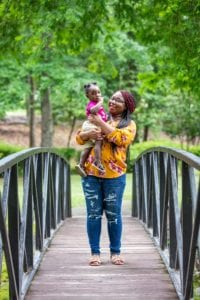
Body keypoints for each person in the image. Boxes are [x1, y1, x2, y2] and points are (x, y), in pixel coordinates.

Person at [76, 89, 136, 266]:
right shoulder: (99, 115)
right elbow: (79, 138)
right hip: (91, 175)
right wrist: (89, 134)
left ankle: (115, 253)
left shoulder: (128, 124)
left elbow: (120, 139)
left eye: (118, 100)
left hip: (115, 177)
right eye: (112, 99)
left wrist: (100, 123)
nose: (112, 102)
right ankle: (95, 253)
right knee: (93, 215)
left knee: (113, 215)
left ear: (126, 106)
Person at [75, 82, 107, 177]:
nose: (97, 95)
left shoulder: (97, 104)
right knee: (98, 142)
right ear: (87, 96)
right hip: (91, 125)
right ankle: (97, 162)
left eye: (98, 92)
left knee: (88, 147)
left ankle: (81, 164)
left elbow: (102, 116)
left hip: (93, 125)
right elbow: (93, 111)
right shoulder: (92, 104)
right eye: (93, 93)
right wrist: (101, 102)